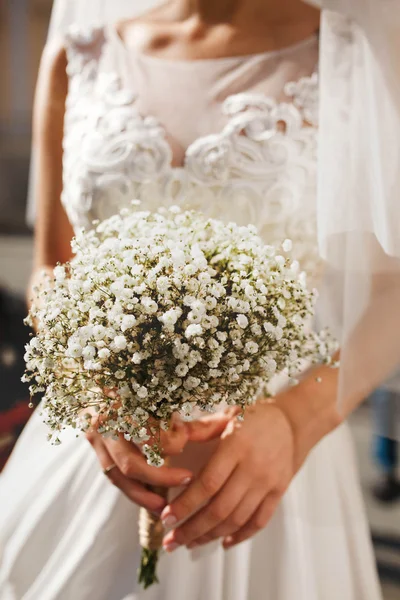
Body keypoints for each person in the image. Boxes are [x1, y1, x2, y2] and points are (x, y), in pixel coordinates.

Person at [0, 0, 397, 598]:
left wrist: (295, 421)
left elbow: (392, 290)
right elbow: (54, 266)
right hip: (102, 442)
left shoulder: (357, 56)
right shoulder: (80, 53)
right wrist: (86, 392)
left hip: (270, 450)